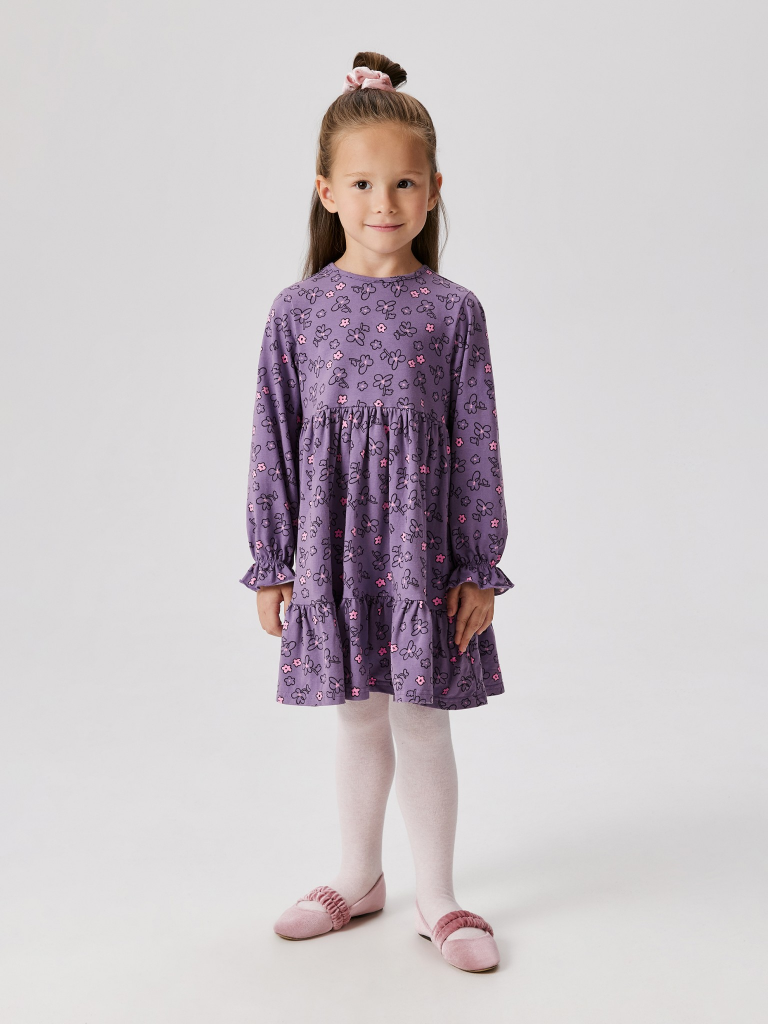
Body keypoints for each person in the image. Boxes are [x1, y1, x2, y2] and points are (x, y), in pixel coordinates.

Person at [239, 52, 514, 973]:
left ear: (433, 191)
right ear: (326, 191)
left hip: (420, 551)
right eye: (361, 183)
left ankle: (438, 897)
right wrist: (273, 560)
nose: (383, 202)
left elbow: (476, 439)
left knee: (422, 716)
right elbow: (274, 436)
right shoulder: (297, 312)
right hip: (333, 547)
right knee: (357, 713)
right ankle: (357, 878)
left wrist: (477, 564)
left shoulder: (454, 312)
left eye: (403, 182)